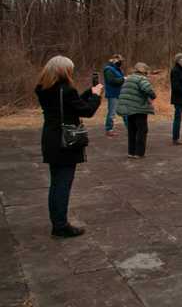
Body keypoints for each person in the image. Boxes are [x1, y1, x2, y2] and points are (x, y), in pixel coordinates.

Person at [35, 55, 103, 237]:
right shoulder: (66, 90)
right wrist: (96, 96)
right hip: (65, 141)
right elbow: (87, 111)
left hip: (50, 138)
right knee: (63, 183)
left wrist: (89, 92)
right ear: (64, 71)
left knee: (56, 182)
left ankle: (57, 221)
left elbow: (71, 105)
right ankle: (60, 225)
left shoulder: (43, 88)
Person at [117, 63, 156, 159]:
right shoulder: (141, 79)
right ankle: (139, 153)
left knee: (132, 130)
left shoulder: (129, 78)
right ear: (144, 71)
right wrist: (153, 96)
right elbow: (147, 89)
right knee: (142, 130)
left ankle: (131, 152)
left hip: (128, 108)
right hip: (139, 108)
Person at [103, 54, 127, 137]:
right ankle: (109, 129)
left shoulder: (117, 69)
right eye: (120, 61)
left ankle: (130, 128)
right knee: (112, 113)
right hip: (112, 94)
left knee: (125, 112)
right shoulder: (108, 69)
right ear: (115, 60)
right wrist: (123, 79)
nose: (121, 62)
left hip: (120, 93)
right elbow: (111, 81)